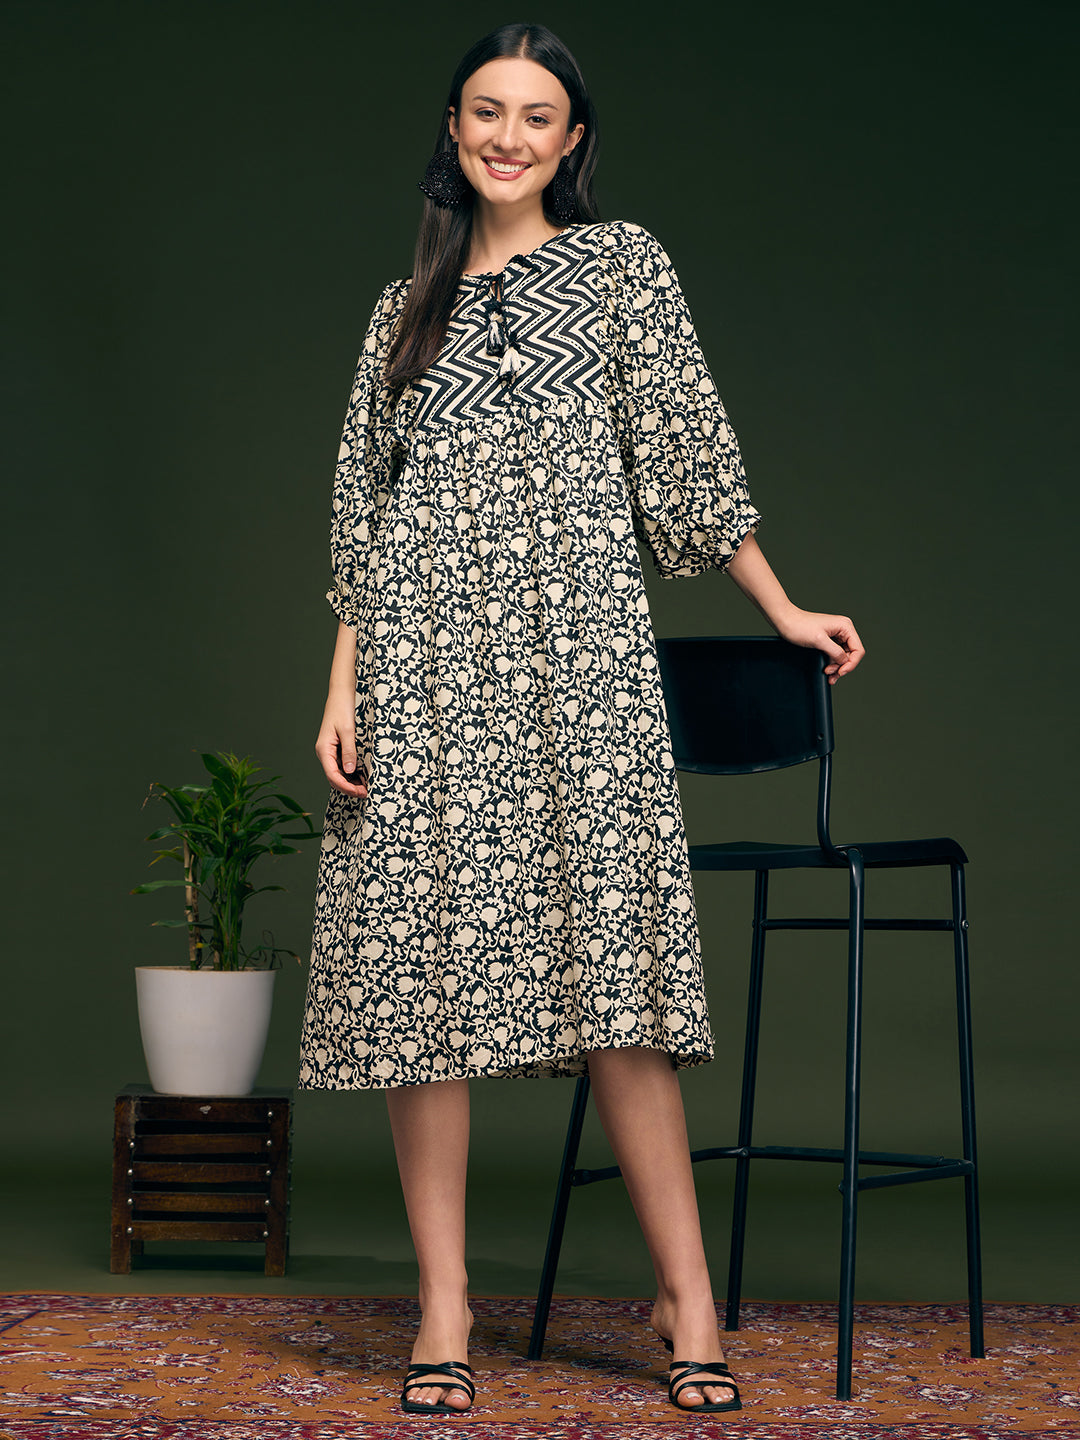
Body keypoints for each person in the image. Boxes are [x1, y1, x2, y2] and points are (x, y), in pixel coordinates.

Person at [298, 21, 864, 1418]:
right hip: (425, 673)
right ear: (452, 127)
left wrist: (783, 606)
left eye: (536, 116)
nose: (508, 137)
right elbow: (364, 517)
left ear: (572, 141)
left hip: (580, 668)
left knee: (620, 986)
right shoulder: (400, 312)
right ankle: (444, 1305)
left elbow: (687, 455)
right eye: (486, 111)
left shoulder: (621, 269)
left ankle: (689, 1299)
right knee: (420, 990)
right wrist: (343, 688)